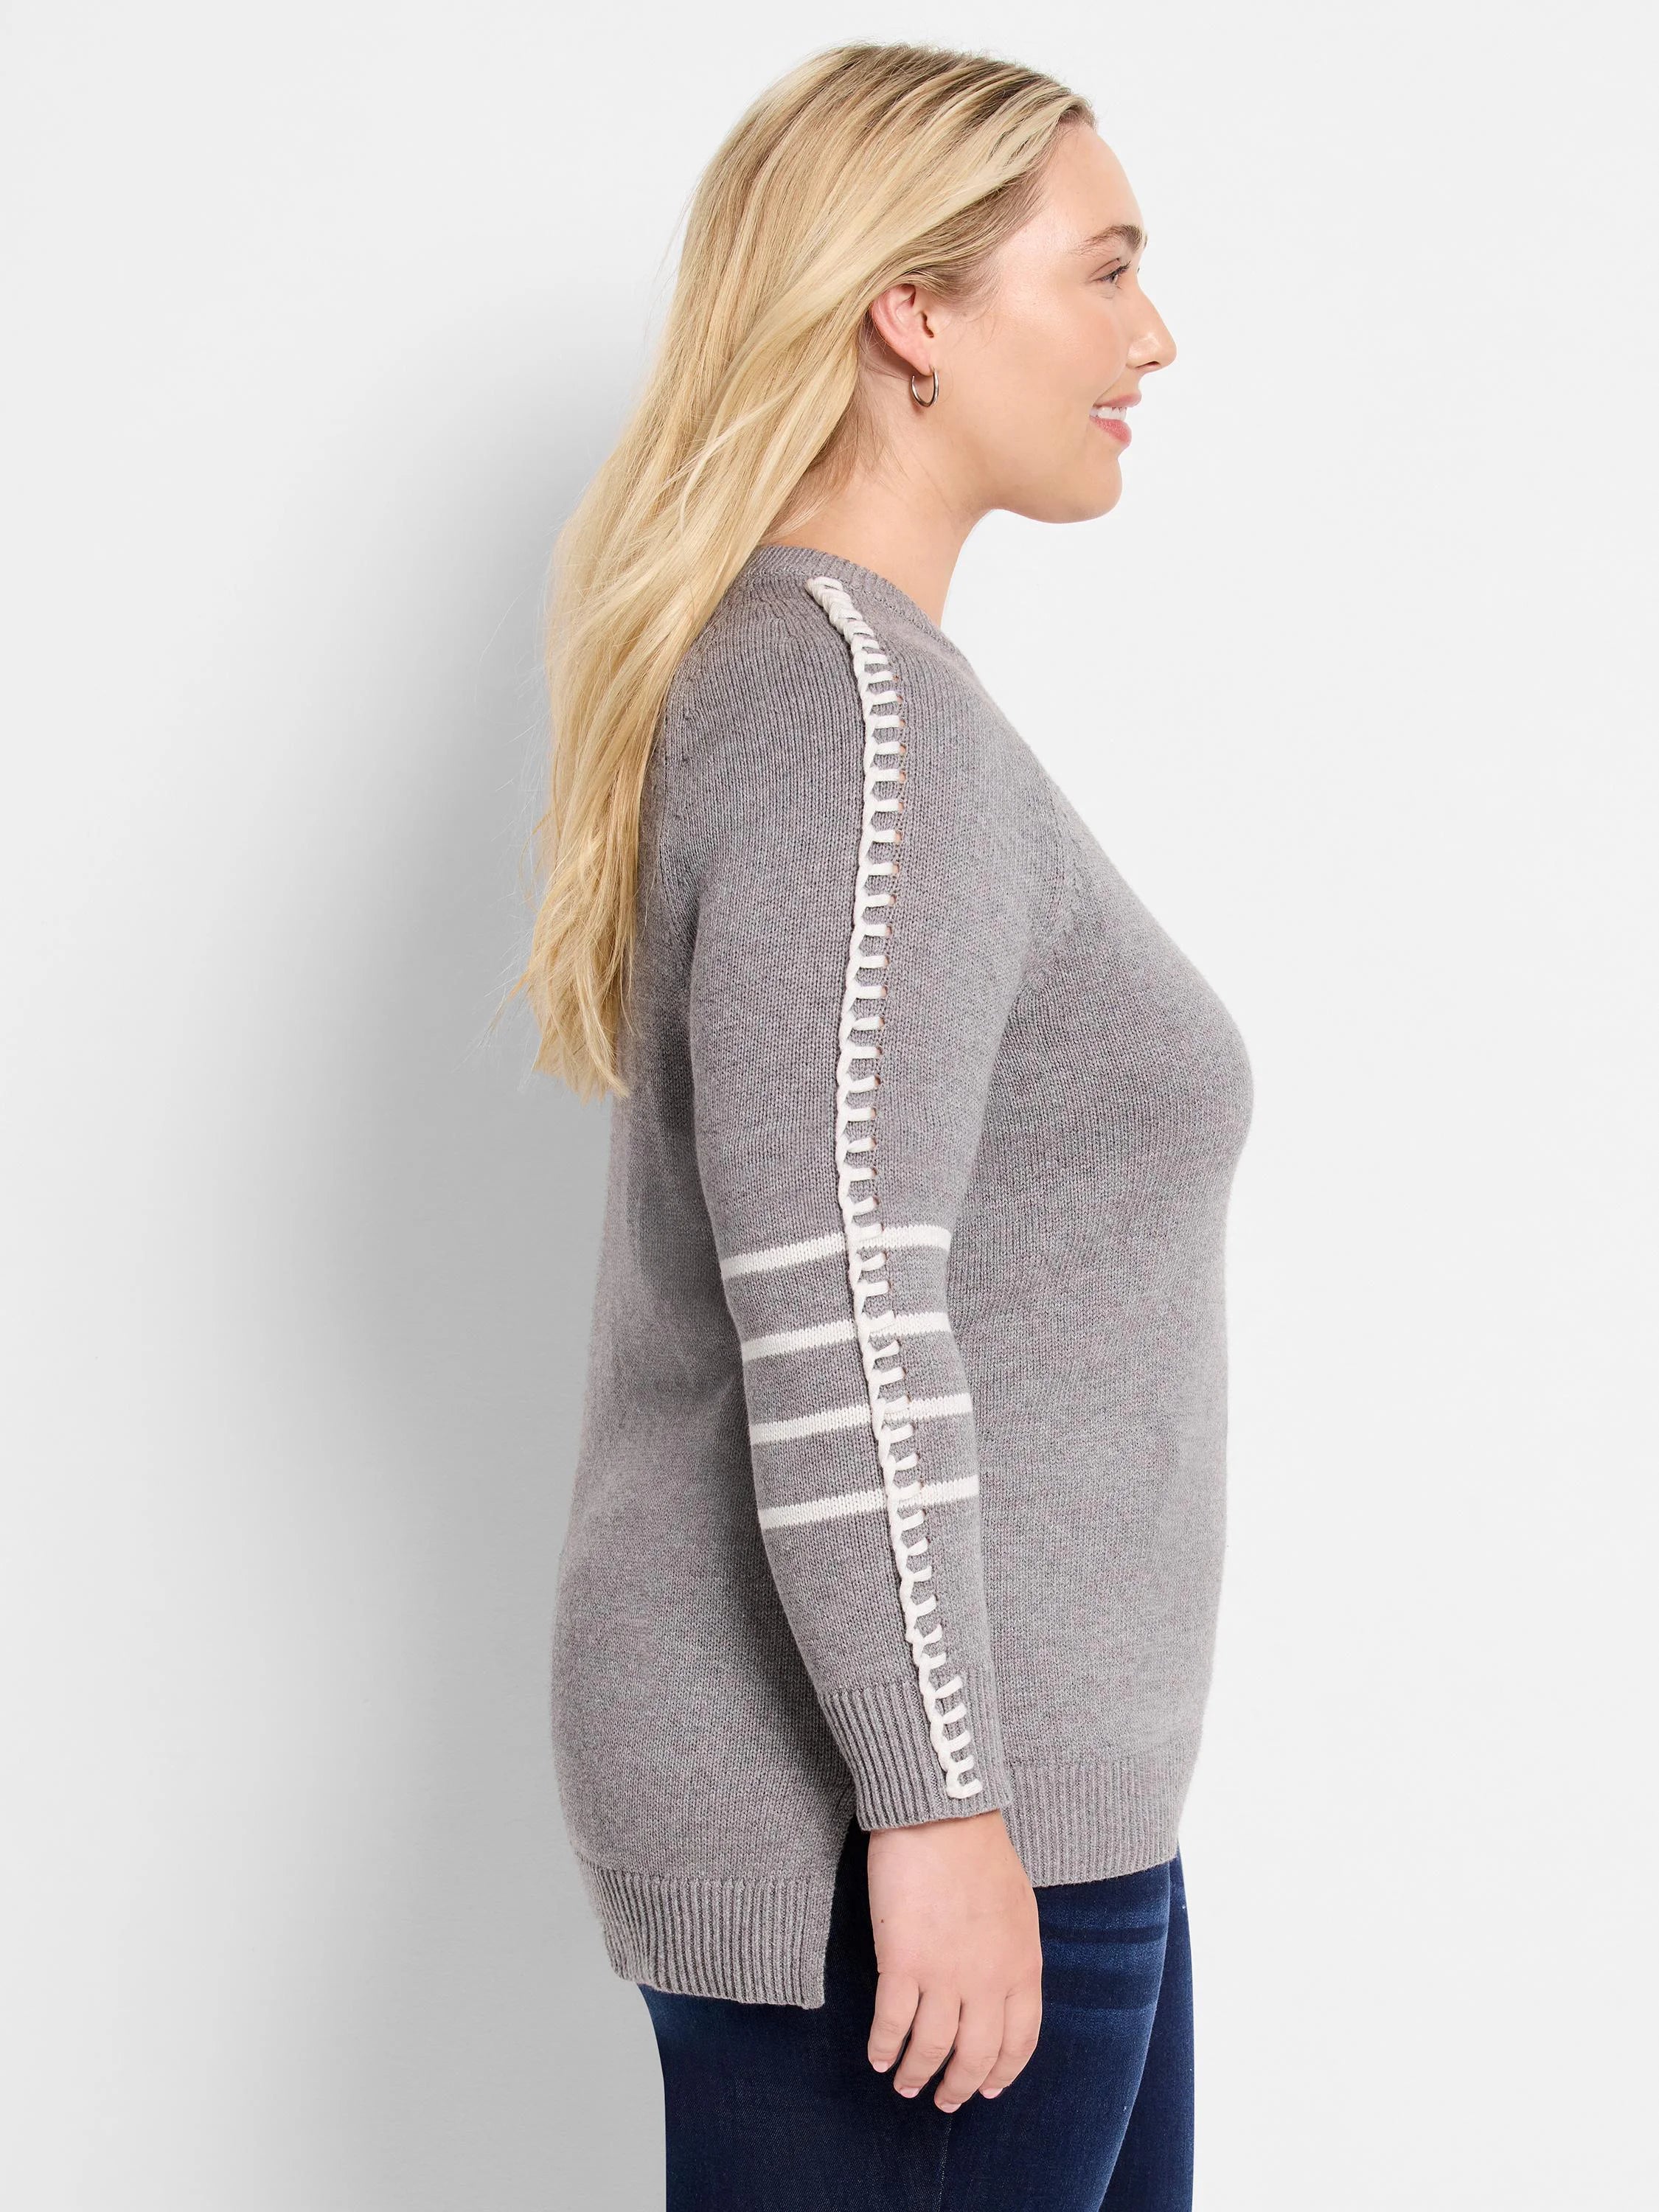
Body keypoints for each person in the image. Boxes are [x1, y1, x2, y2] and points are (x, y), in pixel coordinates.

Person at [511, 41, 1253, 2211]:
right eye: (1102, 269)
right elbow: (836, 1292)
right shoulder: (842, 711)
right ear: (910, 313)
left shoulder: (863, 695)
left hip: (1014, 1804)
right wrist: (930, 1807)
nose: (1151, 335)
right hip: (890, 1829)